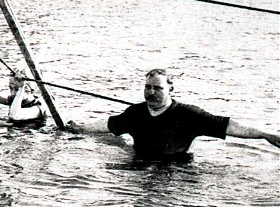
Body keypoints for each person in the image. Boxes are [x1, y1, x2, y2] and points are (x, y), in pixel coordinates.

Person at [67, 68, 280, 161]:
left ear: (171, 89)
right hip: (139, 163)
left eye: (158, 88)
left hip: (177, 167)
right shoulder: (136, 112)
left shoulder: (188, 114)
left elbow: (227, 126)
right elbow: (109, 124)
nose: (151, 92)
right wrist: (80, 128)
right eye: (148, 87)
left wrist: (264, 134)